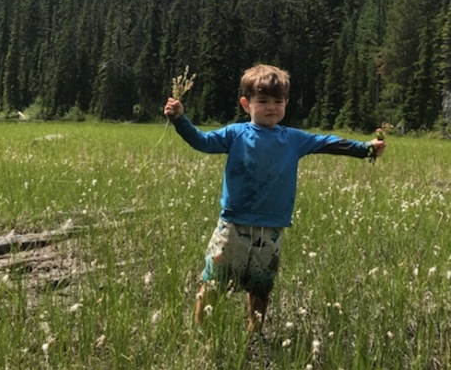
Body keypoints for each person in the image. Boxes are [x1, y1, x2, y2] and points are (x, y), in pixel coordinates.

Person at [163, 64, 386, 332]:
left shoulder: (293, 139)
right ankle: (199, 334)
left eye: (278, 101)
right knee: (213, 283)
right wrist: (180, 120)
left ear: (287, 103)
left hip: (272, 229)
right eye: (263, 101)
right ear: (246, 104)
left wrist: (366, 150)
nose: (271, 107)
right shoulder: (235, 134)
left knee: (260, 287)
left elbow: (328, 143)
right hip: (233, 226)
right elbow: (201, 141)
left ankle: (254, 333)